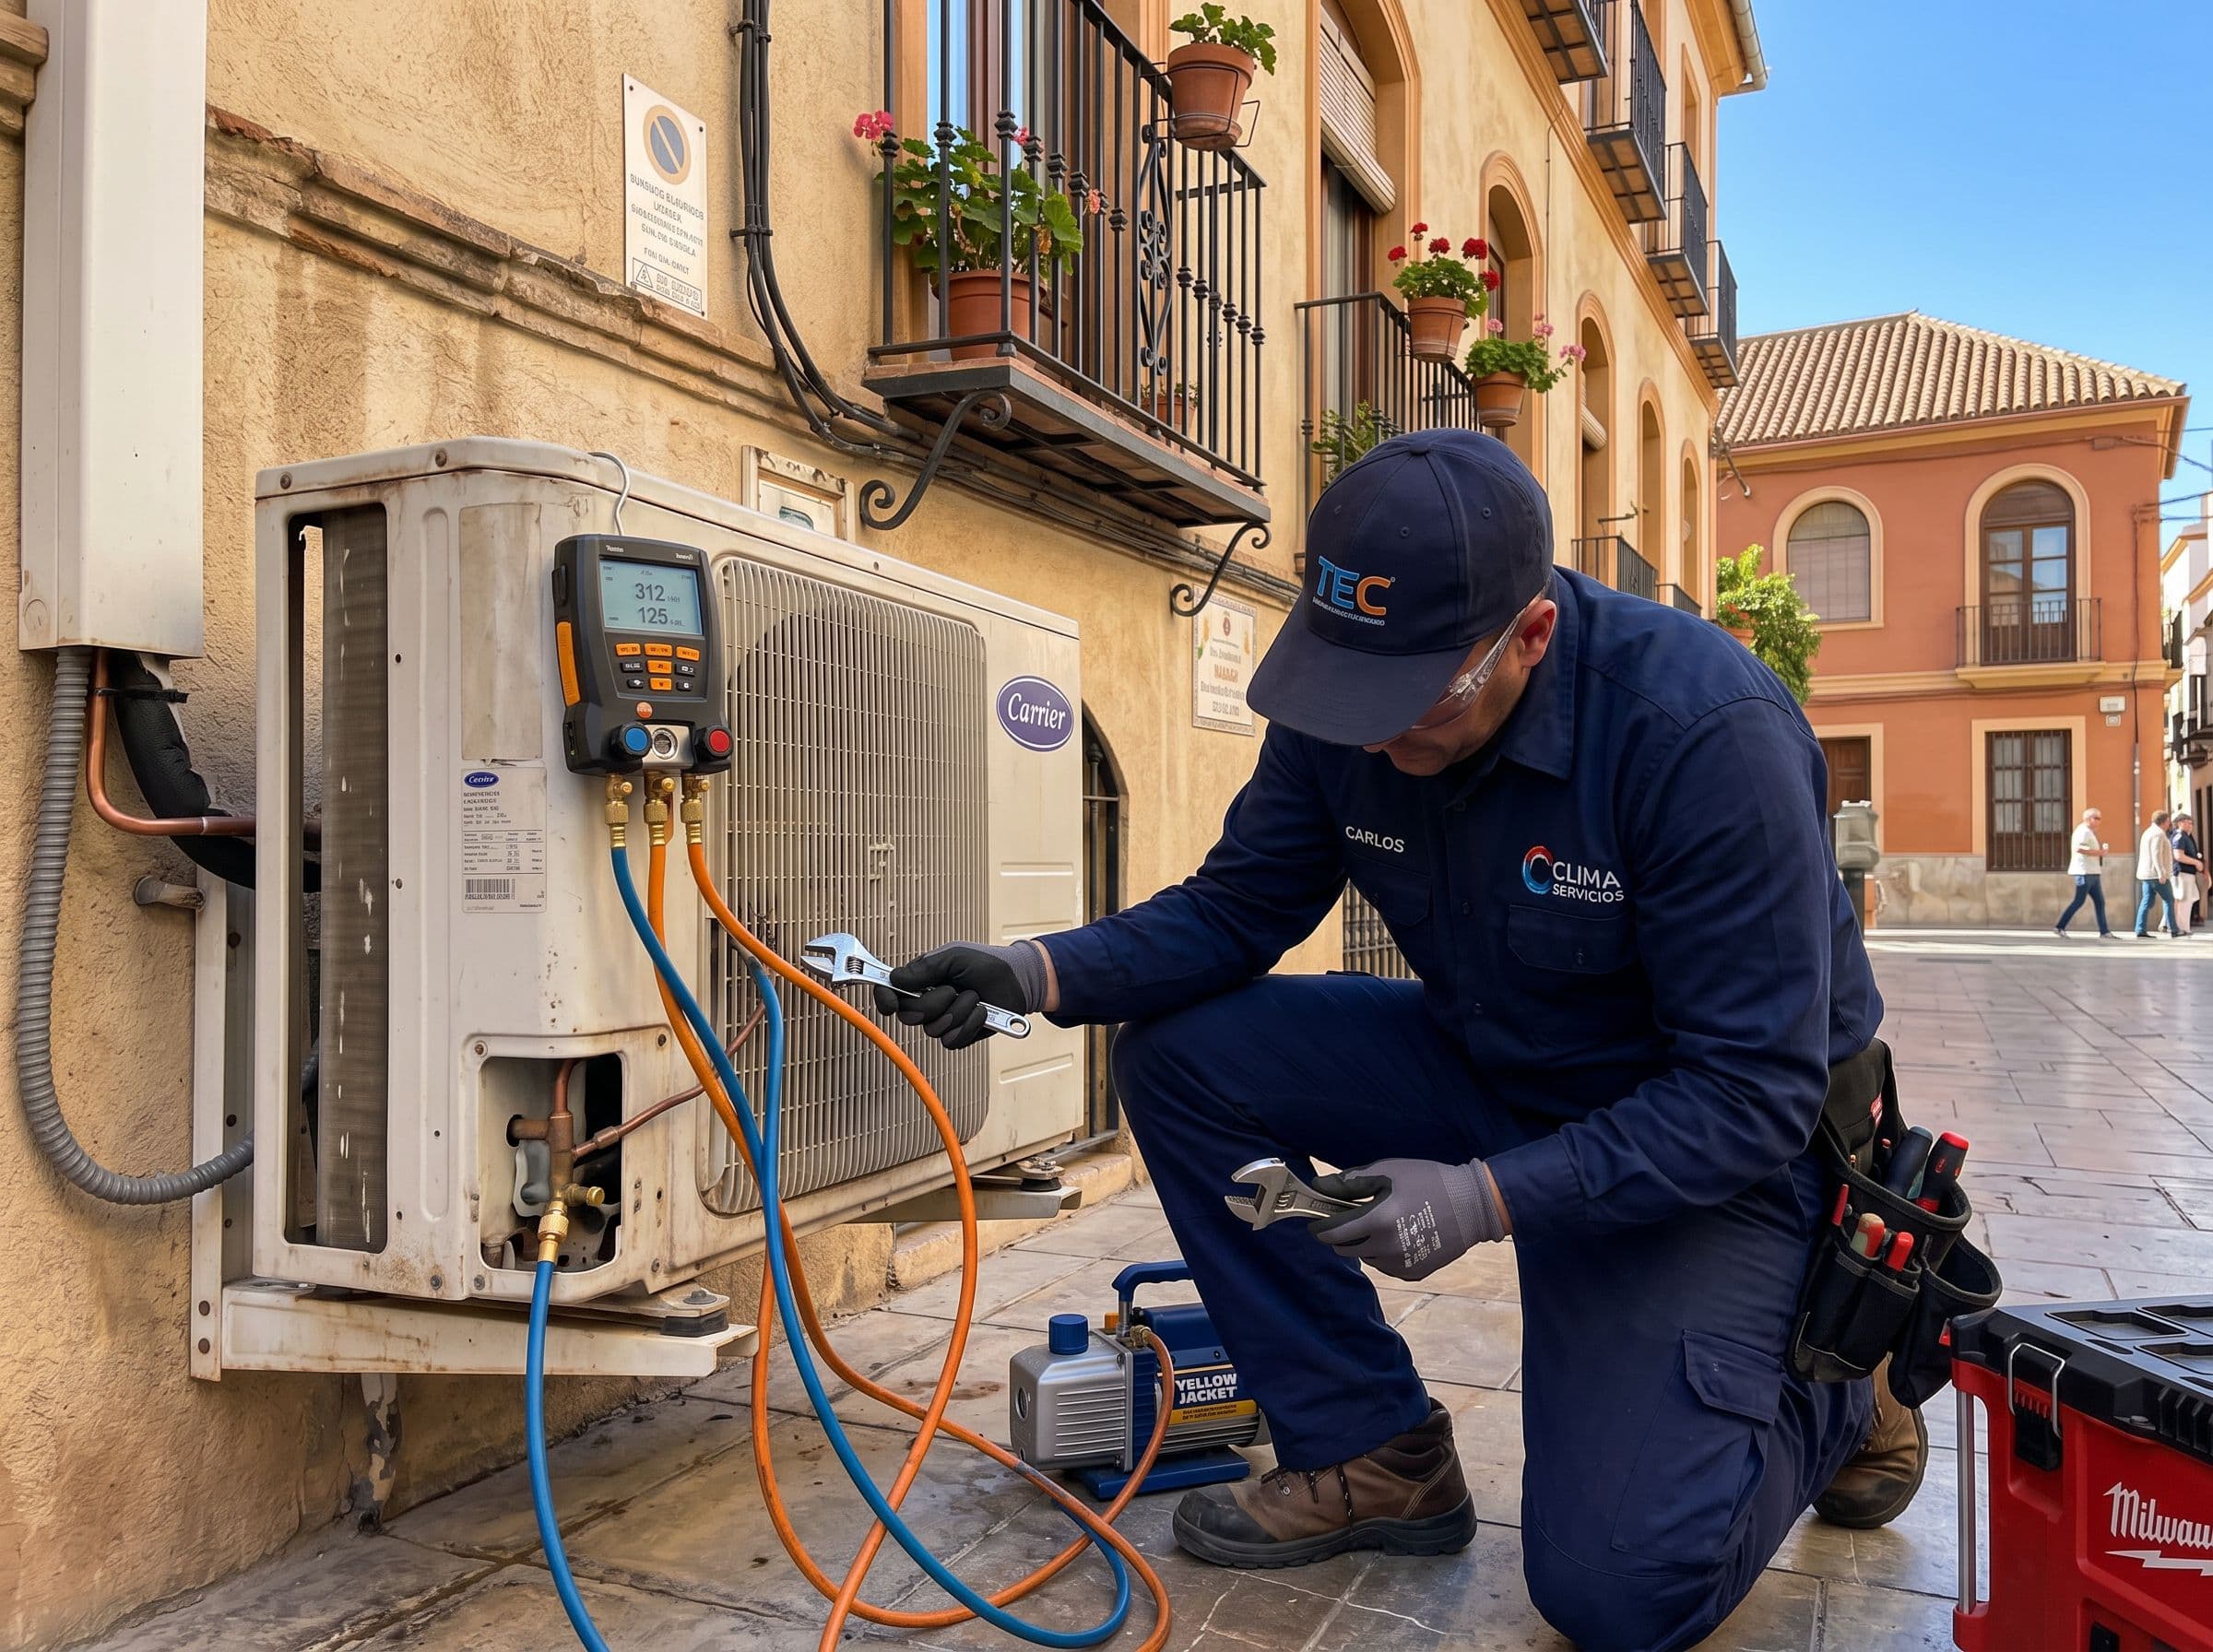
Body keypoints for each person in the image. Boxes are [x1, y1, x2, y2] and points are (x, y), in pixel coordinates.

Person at [875, 433, 1901, 1652]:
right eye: (1347, 695)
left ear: (1528, 637)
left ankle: (1844, 1385)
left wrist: (1485, 1199)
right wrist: (1036, 970)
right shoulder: (1350, 695)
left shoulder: (1700, 732)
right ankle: (1370, 1447)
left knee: (1620, 1594)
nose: (1370, 741)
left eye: (1411, 704)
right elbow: (1237, 910)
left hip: (1707, 1152)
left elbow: (1748, 1093)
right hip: (1493, 1060)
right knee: (1184, 1061)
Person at [2054, 808, 2113, 938]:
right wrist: (2099, 853)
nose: (2099, 821)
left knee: (2100, 902)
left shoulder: (2089, 832)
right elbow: (2079, 848)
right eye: (2096, 818)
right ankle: (2060, 927)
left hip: (2092, 872)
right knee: (2079, 901)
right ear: (2087, 819)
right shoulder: (2084, 831)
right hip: (2084, 872)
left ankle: (2104, 932)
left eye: (2099, 818)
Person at [2136, 809, 2178, 939]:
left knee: (2146, 901)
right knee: (2169, 900)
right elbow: (2156, 854)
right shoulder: (2158, 834)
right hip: (2156, 874)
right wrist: (2161, 872)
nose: (2169, 824)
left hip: (2146, 874)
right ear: (2164, 821)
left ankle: (2140, 929)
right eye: (2168, 821)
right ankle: (2173, 929)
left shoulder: (2148, 832)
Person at [2171, 813, 2202, 938]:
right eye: (2188, 822)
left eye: (2191, 823)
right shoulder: (2179, 836)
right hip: (2182, 872)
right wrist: (2196, 862)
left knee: (2187, 900)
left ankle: (2179, 926)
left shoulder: (2186, 836)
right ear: (2180, 823)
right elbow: (2178, 855)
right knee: (2184, 900)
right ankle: (2182, 928)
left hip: (2188, 873)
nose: (2191, 825)